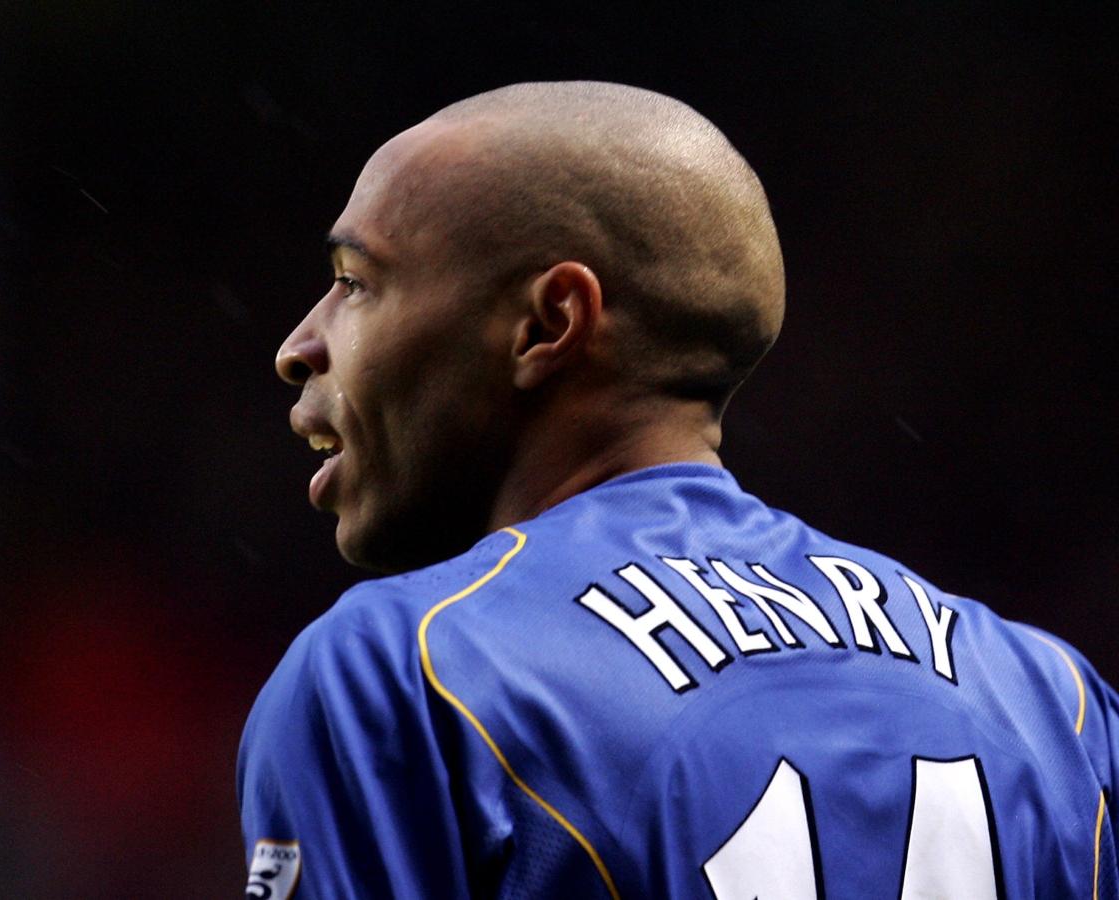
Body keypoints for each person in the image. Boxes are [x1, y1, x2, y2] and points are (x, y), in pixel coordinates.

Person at [237, 81, 1117, 899]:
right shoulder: (1056, 703)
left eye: (356, 282)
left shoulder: (407, 675)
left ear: (548, 323)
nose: (298, 343)